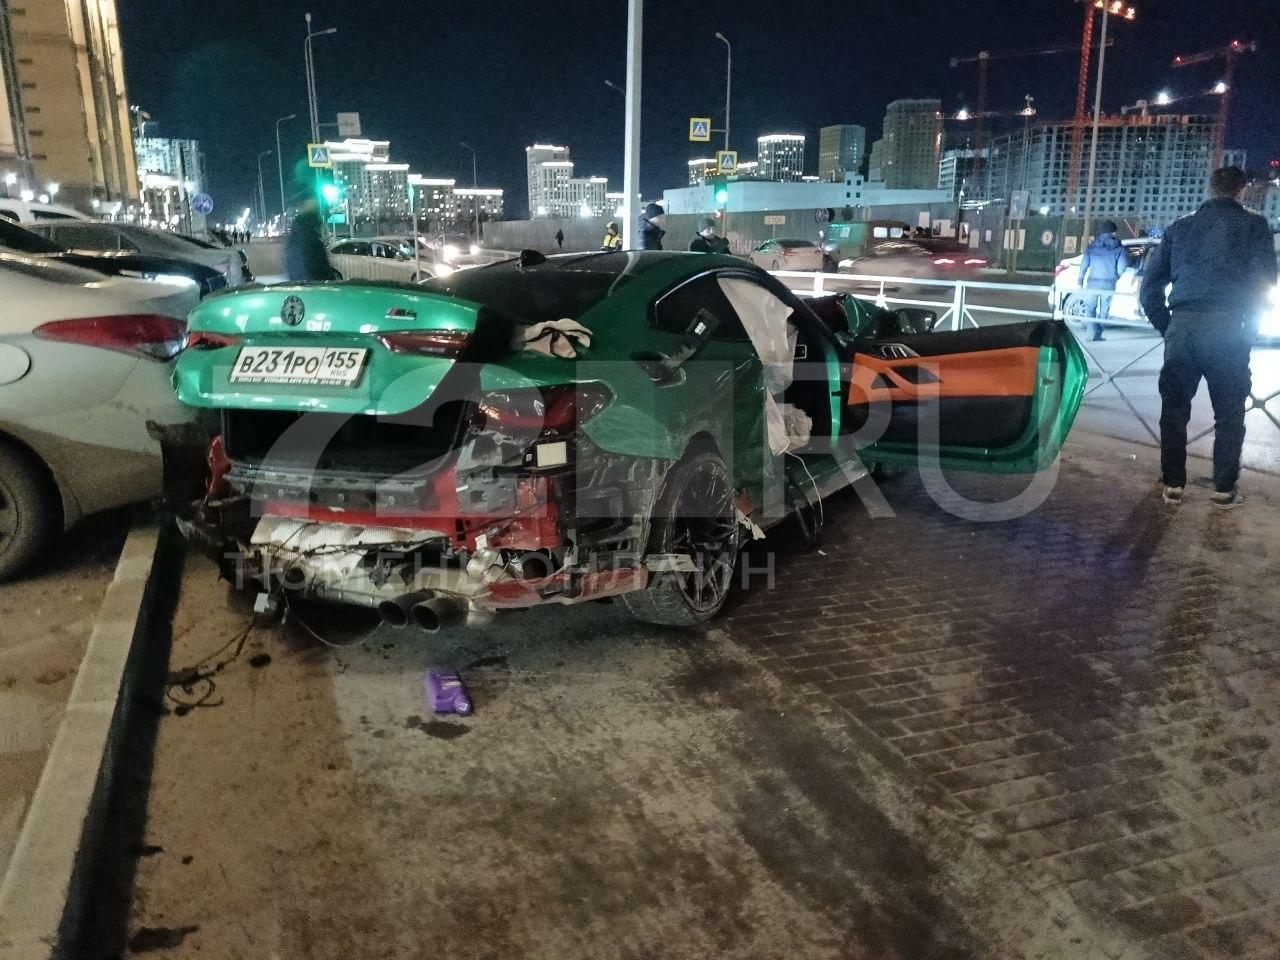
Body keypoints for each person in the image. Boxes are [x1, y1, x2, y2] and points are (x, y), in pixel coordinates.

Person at [1139, 166, 1277, 508]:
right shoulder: (1255, 225)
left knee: (1174, 410)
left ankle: (1173, 485)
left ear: (1209, 189)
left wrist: (1168, 326)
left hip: (1183, 327)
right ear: (1241, 192)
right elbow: (1266, 282)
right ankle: (1223, 489)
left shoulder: (1179, 227)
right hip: (1229, 327)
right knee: (1229, 413)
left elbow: (1149, 288)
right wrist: (1249, 330)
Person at [1080, 220, 1127, 342]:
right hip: (1109, 283)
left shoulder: (1092, 246)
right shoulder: (1119, 248)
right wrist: (1116, 276)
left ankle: (1090, 333)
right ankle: (1098, 334)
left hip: (1093, 283)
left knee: (1090, 307)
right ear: (1113, 232)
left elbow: (1084, 264)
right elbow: (1122, 268)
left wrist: (1080, 279)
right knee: (1104, 310)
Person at [285, 197, 338, 282]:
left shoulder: (299, 235)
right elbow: (311, 268)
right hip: (313, 286)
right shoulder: (307, 238)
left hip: (308, 285)